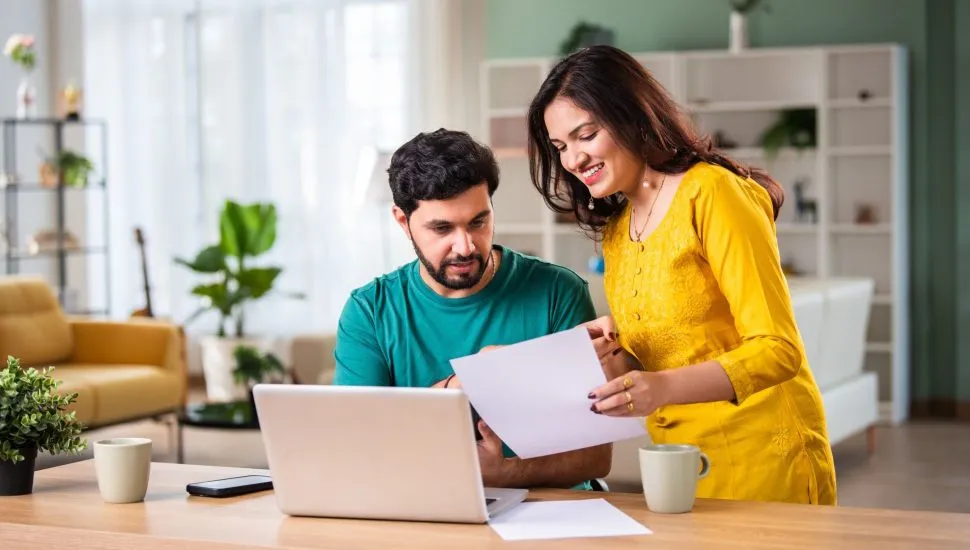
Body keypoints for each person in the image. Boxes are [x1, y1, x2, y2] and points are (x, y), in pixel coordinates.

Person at [525, 45, 837, 505]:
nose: (572, 160)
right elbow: (669, 349)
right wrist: (610, 345)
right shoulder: (618, 228)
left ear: (630, 116)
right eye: (560, 147)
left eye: (585, 135)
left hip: (762, 458)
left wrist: (660, 388)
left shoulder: (712, 193)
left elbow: (779, 350)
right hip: (679, 463)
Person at [333, 128, 612, 490]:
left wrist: (506, 474)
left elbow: (594, 458)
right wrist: (464, 384)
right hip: (425, 507)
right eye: (442, 228)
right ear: (403, 222)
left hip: (547, 513)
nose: (464, 247)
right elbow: (357, 447)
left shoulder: (557, 291)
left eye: (478, 222)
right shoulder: (369, 310)